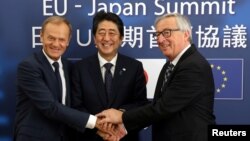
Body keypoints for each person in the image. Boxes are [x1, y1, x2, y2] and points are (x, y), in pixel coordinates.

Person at [97, 12, 216, 141]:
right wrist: (124, 128)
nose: (160, 40)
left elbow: (162, 108)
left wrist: (121, 116)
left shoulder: (193, 66)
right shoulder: (170, 65)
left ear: (186, 34)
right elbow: (157, 106)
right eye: (157, 34)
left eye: (166, 33)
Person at [13, 16, 106, 141]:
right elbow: (50, 107)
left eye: (61, 39)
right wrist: (95, 122)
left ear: (68, 40)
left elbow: (72, 107)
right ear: (41, 36)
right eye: (51, 38)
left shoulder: (70, 67)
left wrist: (100, 129)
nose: (56, 44)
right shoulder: (29, 67)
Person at [71, 10, 148, 141]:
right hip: (90, 137)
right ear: (95, 38)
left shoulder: (134, 67)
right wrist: (98, 127)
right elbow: (76, 106)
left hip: (124, 137)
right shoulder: (80, 68)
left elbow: (141, 104)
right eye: (101, 33)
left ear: (121, 38)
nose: (106, 38)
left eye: (112, 33)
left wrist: (121, 115)